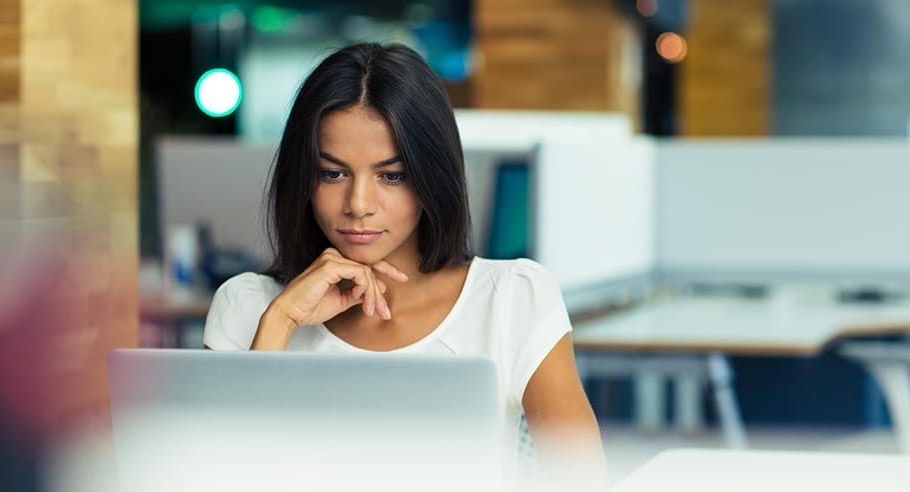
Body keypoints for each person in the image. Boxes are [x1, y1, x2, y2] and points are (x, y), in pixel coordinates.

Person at [203, 42, 608, 490]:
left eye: (391, 176)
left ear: (431, 176)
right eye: (332, 173)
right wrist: (281, 321)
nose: (358, 205)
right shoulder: (247, 308)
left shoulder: (513, 299)